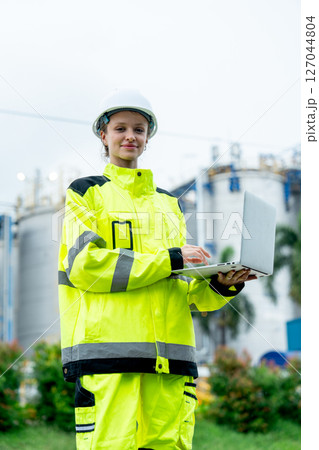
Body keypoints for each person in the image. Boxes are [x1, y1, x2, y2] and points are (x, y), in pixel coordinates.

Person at [58, 88, 256, 449]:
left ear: (148, 139)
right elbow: (86, 268)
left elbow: (181, 290)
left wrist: (222, 285)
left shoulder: (169, 205)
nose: (130, 136)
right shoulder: (86, 194)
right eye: (120, 128)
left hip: (171, 363)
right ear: (103, 136)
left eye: (139, 129)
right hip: (109, 362)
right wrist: (171, 259)